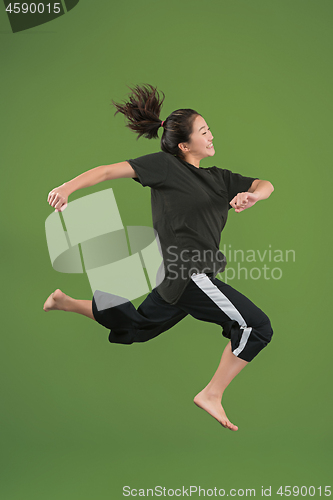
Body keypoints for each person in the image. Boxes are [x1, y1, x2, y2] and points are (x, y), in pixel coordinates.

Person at [43, 83, 274, 431]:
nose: (211, 136)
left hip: (176, 280)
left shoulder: (220, 179)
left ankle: (66, 302)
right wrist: (67, 187)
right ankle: (211, 394)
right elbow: (107, 171)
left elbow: (265, 183)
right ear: (184, 145)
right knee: (256, 326)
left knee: (138, 327)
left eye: (209, 129)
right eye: (204, 131)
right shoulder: (165, 167)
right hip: (188, 274)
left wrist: (253, 197)